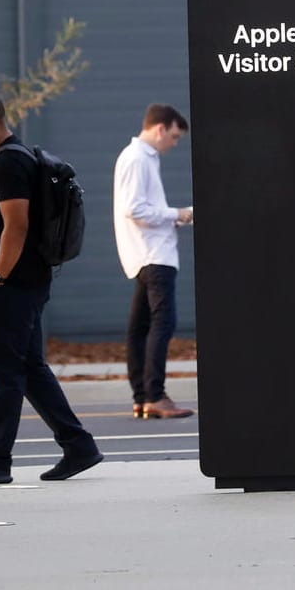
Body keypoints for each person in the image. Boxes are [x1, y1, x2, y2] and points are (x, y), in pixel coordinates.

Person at [0, 90, 102, 485]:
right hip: (26, 280)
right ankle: (79, 446)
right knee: (29, 368)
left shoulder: (8, 161)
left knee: (5, 372)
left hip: (12, 282)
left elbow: (17, 225)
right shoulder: (8, 158)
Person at [113, 103, 195, 419]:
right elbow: (135, 209)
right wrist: (178, 214)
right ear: (160, 128)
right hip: (153, 255)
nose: (173, 144)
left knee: (140, 326)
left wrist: (175, 217)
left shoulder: (138, 158)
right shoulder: (138, 158)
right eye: (173, 136)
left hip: (144, 254)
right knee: (163, 323)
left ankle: (143, 396)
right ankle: (155, 395)